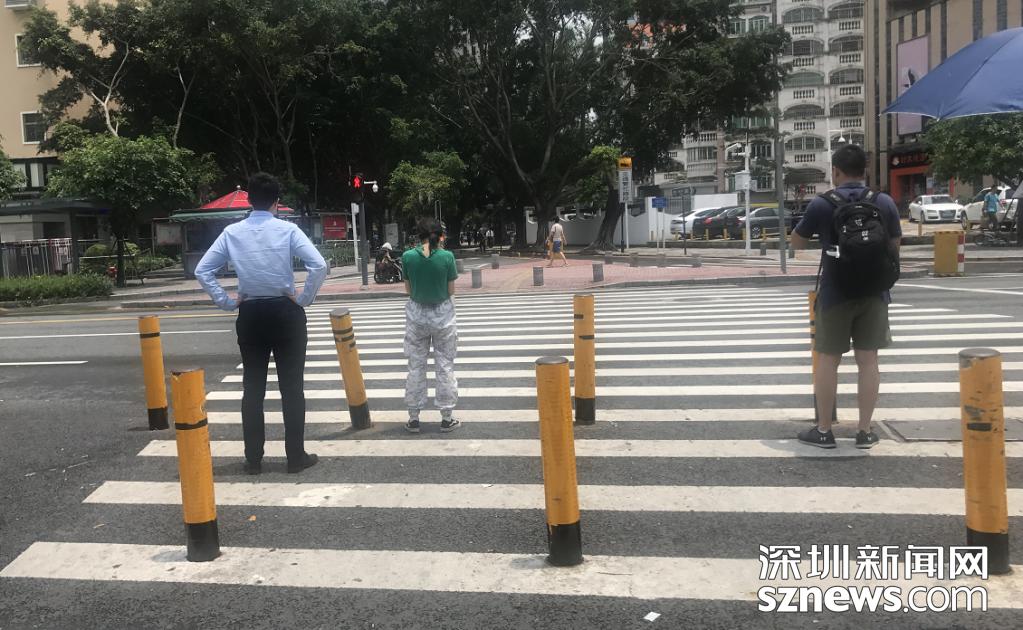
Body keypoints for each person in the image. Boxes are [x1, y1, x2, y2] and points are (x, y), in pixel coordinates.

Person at [194, 172, 328, 475]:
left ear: (250, 200)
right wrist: (303, 298)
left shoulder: (232, 232)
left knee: (252, 389)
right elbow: (319, 265)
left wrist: (227, 302)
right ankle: (295, 457)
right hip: (285, 312)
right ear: (276, 202)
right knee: (292, 388)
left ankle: (253, 459)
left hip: (251, 313)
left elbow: (203, 270)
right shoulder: (288, 229)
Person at [790, 145, 901, 450]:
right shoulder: (883, 201)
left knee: (828, 360)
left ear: (835, 171)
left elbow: (797, 243)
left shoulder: (822, 203)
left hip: (835, 293)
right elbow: (894, 245)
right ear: (865, 170)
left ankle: (824, 431)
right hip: (874, 292)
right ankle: (864, 432)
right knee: (869, 361)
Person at [402, 217, 460, 433]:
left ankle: (413, 418)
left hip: (417, 316)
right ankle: (446, 418)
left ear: (419, 236)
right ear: (440, 235)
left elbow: (408, 290)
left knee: (416, 366)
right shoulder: (447, 257)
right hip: (443, 316)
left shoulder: (408, 257)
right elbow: (451, 290)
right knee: (444, 365)